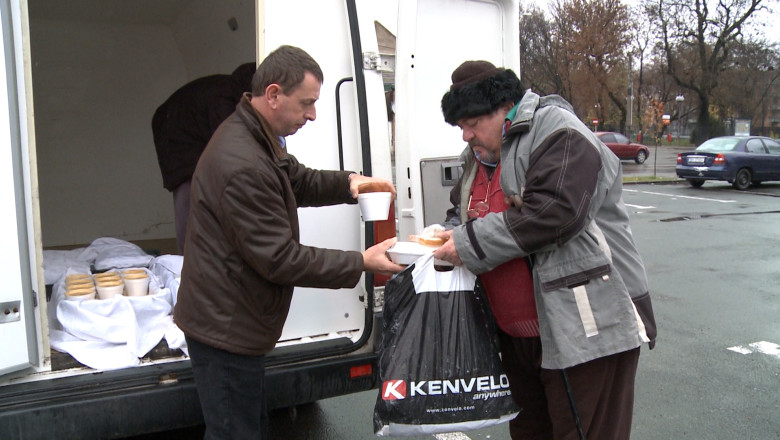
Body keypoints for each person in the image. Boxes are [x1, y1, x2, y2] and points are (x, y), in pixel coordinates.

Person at [173, 45, 404, 439]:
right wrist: (361, 262)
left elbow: (295, 178)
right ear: (274, 94)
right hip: (225, 330)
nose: (313, 115)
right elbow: (280, 259)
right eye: (307, 104)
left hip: (233, 322)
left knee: (248, 425)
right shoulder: (241, 162)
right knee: (235, 432)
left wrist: (352, 184)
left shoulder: (257, 135)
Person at [433, 60, 657, 440]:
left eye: (472, 123)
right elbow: (465, 213)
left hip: (585, 328)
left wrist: (467, 242)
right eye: (460, 126)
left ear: (505, 107)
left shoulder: (558, 130)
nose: (465, 135)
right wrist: (445, 236)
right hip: (518, 338)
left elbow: (555, 212)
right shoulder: (476, 158)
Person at [152, 62, 256, 254]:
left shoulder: (226, 88)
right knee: (189, 195)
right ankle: (189, 261)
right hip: (177, 137)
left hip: (174, 129)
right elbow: (229, 143)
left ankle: (193, 258)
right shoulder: (226, 96)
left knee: (193, 196)